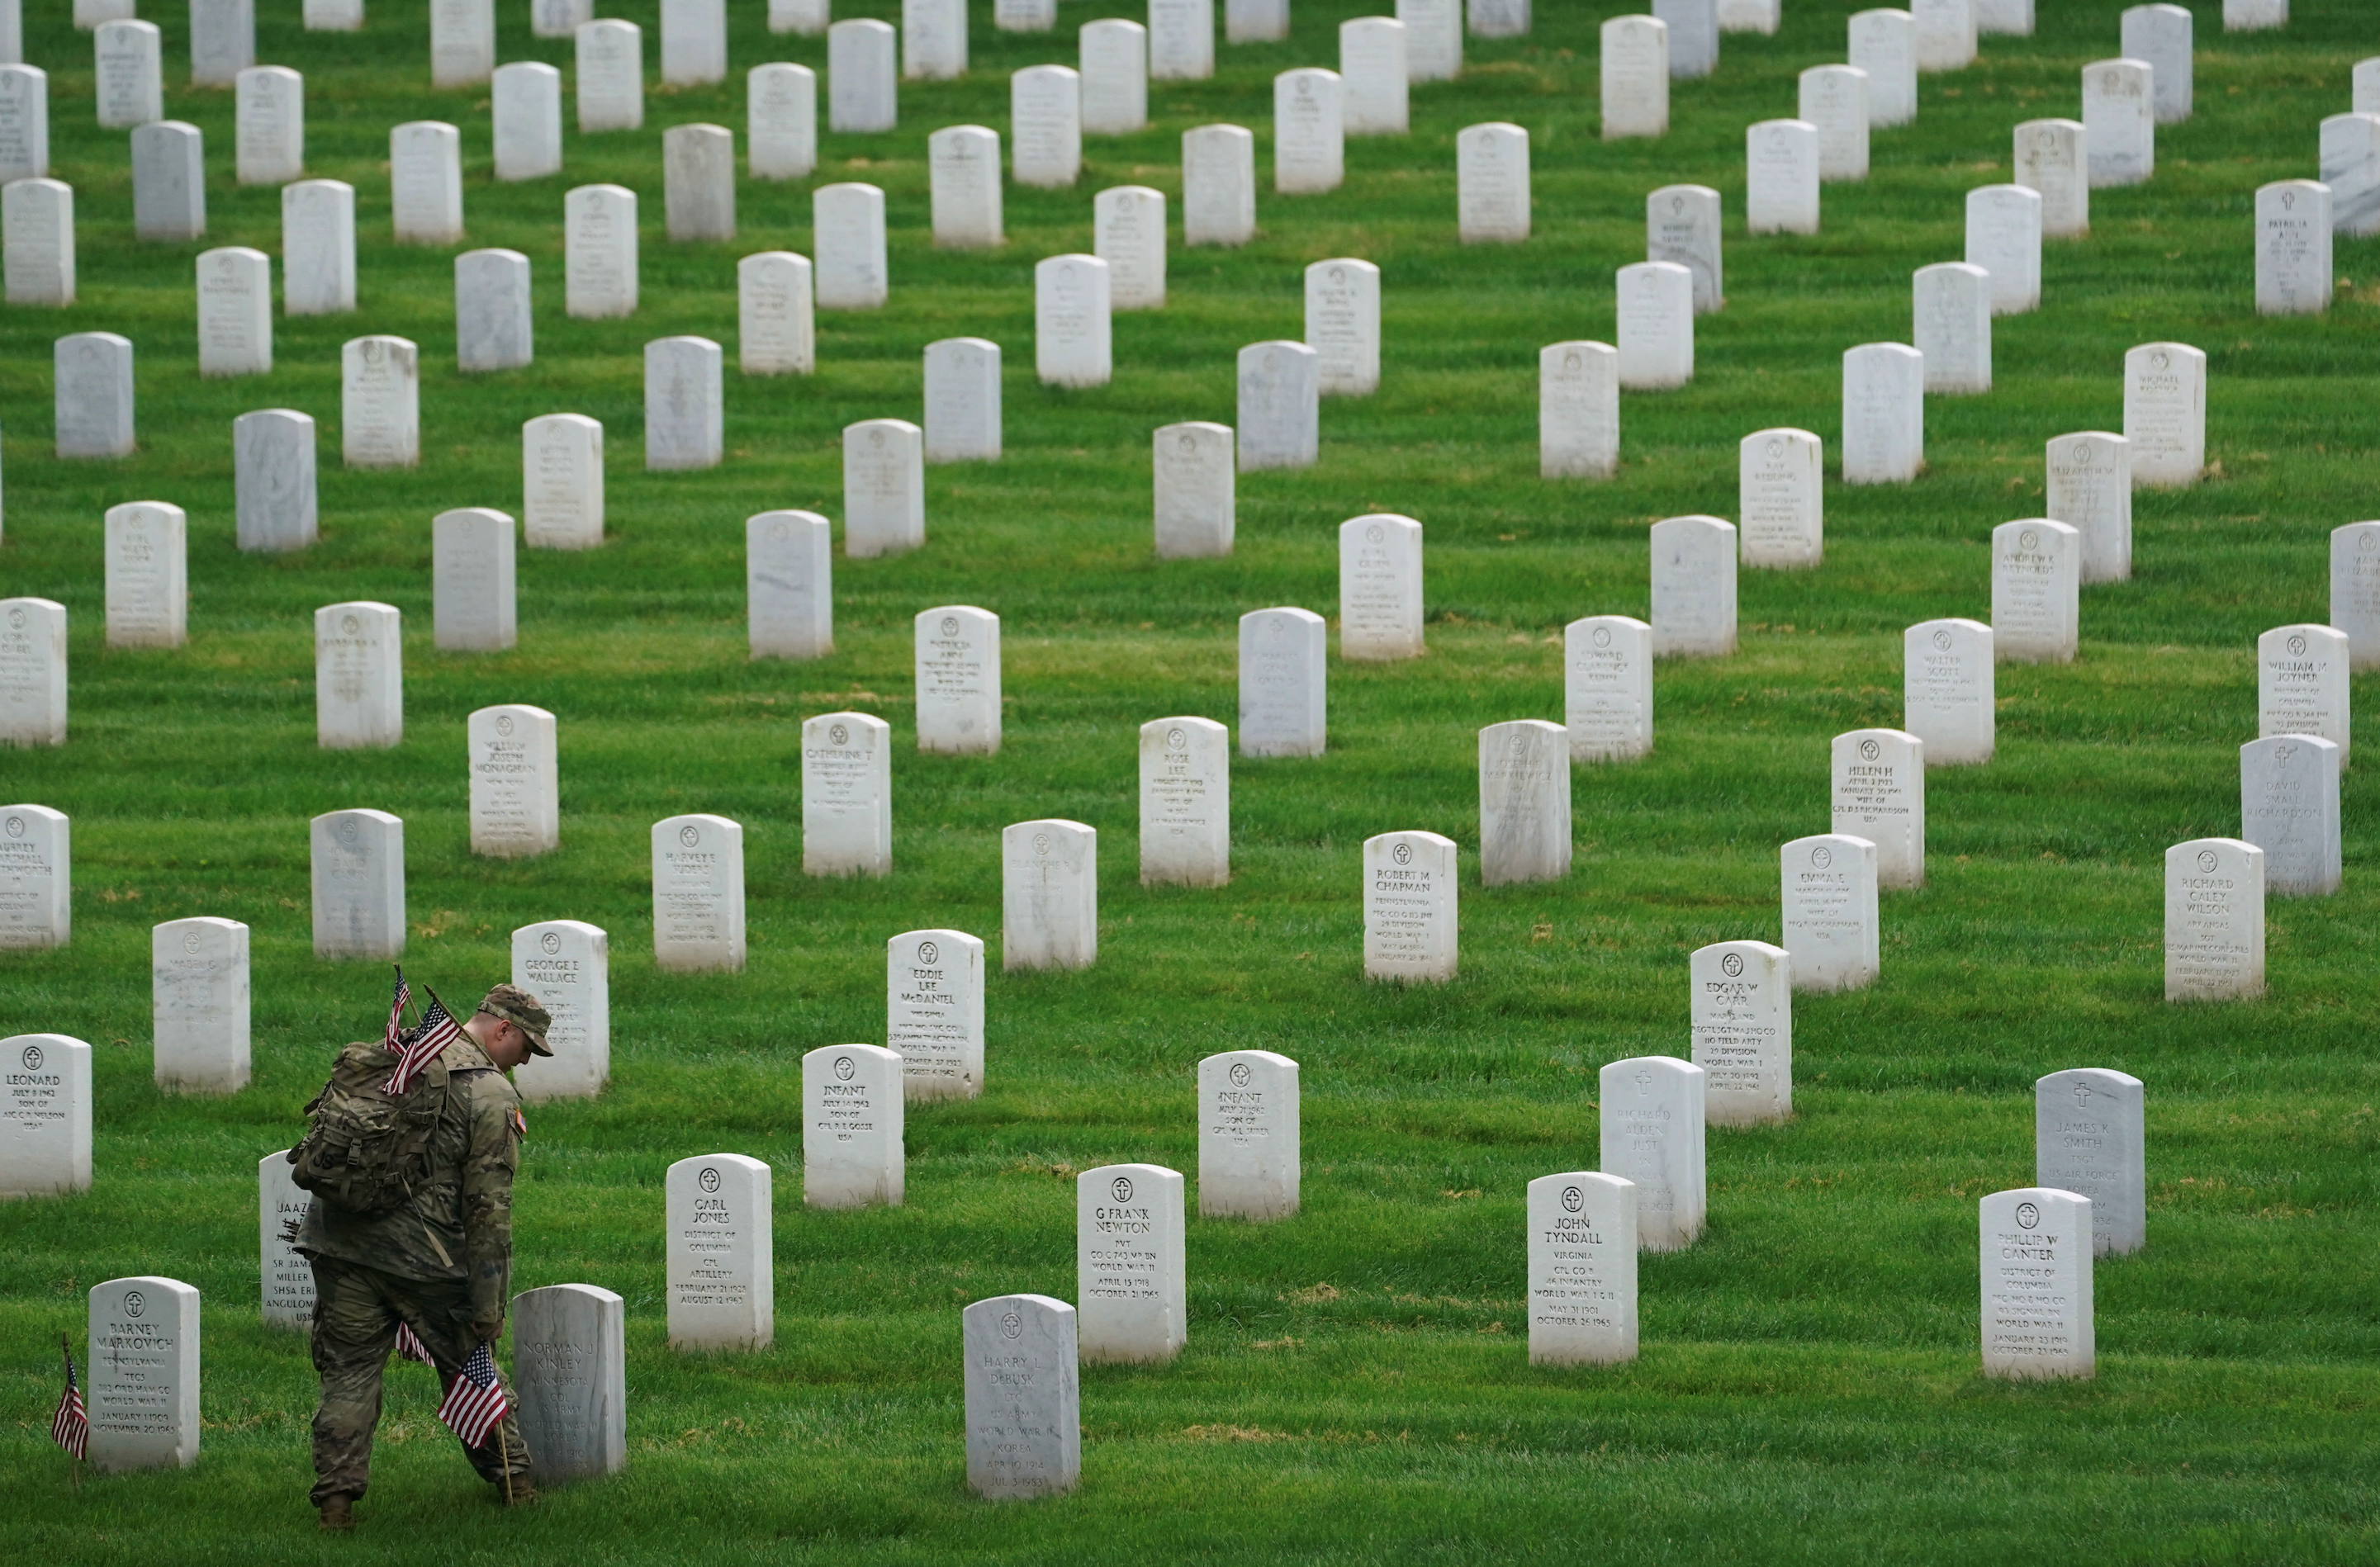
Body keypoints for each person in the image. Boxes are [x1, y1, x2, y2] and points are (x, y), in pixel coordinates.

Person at [297, 984, 552, 1531]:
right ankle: (517, 1486)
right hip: (425, 1258)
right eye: (527, 1047)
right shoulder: (488, 1095)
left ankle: (335, 1507)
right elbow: (489, 1211)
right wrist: (488, 1306)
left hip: (340, 1240)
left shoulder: (397, 1053)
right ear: (502, 1030)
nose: (526, 1060)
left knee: (348, 1375)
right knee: (471, 1367)